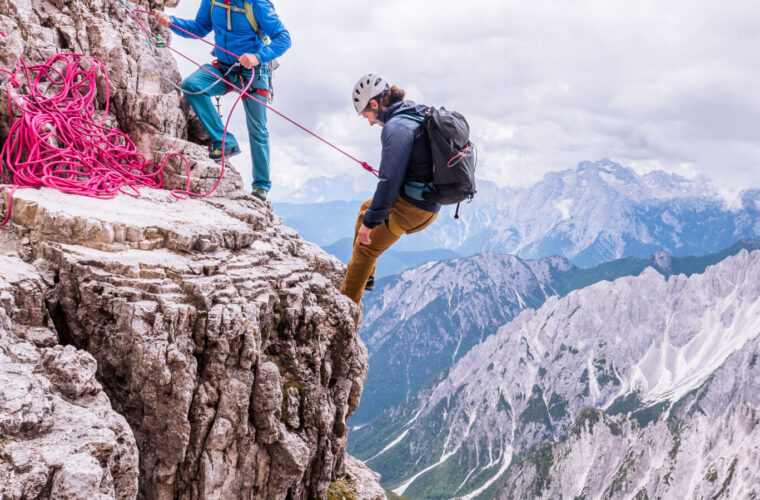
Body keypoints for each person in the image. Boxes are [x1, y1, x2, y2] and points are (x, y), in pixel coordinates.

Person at [154, 1, 291, 201]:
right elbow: (199, 28)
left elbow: (283, 39)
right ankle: (225, 141)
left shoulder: (257, 3)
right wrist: (171, 22)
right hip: (225, 68)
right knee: (192, 86)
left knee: (257, 128)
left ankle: (261, 187)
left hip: (253, 71)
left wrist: (258, 56)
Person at [340, 74, 441, 304]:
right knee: (365, 209)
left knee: (365, 248)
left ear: (374, 104)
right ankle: (366, 277)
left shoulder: (395, 128)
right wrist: (370, 217)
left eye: (367, 115)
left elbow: (389, 181)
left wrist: (370, 225)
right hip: (425, 200)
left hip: (412, 207)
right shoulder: (412, 113)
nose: (369, 122)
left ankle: (343, 312)